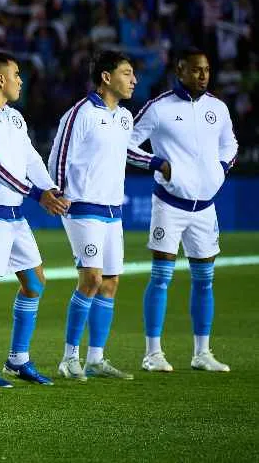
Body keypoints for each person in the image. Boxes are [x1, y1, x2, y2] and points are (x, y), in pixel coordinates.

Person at [0, 52, 69, 388]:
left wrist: (50, 188)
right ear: (0, 79)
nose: (21, 80)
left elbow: (30, 159)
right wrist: (38, 195)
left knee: (35, 283)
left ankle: (18, 359)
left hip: (13, 215)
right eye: (17, 74)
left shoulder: (14, 118)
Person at [128, 47, 238, 372]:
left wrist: (221, 168)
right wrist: (157, 163)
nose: (203, 75)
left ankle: (202, 353)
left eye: (206, 70)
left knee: (205, 280)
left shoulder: (218, 108)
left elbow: (230, 144)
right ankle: (152, 354)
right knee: (161, 277)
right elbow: (126, 143)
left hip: (205, 208)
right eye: (196, 69)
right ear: (180, 71)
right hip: (169, 204)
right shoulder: (159, 108)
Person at [51, 51, 159, 381]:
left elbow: (128, 151)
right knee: (92, 279)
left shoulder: (124, 117)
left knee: (110, 283)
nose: (134, 80)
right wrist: (58, 191)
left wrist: (157, 162)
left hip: (113, 209)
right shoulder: (80, 114)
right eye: (127, 73)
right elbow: (59, 155)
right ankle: (69, 358)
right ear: (106, 77)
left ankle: (95, 359)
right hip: (82, 206)